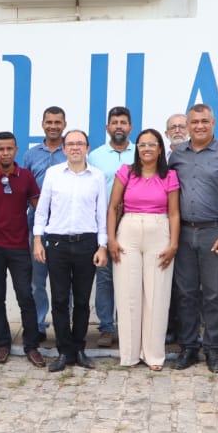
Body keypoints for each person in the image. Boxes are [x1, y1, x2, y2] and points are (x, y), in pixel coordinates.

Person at [168, 103, 218, 373]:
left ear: (213, 123)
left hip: (215, 232)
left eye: (204, 121)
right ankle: (189, 347)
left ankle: (213, 349)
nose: (199, 126)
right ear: (187, 125)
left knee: (213, 295)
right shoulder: (177, 156)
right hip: (183, 232)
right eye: (194, 122)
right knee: (186, 293)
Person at [33, 129, 109, 372]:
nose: (75, 147)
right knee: (59, 299)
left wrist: (102, 246)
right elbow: (42, 210)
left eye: (80, 143)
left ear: (87, 148)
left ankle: (79, 349)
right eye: (71, 144)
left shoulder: (97, 176)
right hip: (57, 244)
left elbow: (101, 214)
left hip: (87, 243)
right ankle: (64, 352)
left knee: (83, 301)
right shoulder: (54, 174)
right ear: (64, 149)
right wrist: (37, 240)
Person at [107, 128, 179, 370]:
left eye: (152, 144)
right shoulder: (126, 172)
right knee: (128, 294)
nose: (147, 148)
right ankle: (129, 355)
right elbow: (113, 206)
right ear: (136, 149)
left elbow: (174, 213)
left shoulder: (169, 176)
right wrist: (111, 240)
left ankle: (153, 355)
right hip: (128, 231)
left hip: (159, 232)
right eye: (142, 145)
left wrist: (173, 245)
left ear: (160, 149)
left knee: (157, 296)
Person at [0, 132, 45, 368]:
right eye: (1, 149)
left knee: (25, 296)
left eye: (9, 148)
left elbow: (39, 208)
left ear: (16, 150)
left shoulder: (26, 176)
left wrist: (42, 236)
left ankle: (31, 346)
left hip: (19, 246)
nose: (5, 153)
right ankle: (3, 344)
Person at [87, 106, 136, 347]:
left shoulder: (141, 152)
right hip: (104, 224)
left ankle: (129, 327)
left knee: (132, 278)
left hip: (134, 223)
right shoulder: (95, 156)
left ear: (130, 127)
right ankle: (106, 327)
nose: (119, 126)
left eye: (123, 122)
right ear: (107, 127)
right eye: (114, 122)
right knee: (105, 278)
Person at [21, 106, 68, 342]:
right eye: (49, 122)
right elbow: (23, 189)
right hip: (36, 225)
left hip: (65, 226)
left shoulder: (70, 152)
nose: (53, 126)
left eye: (57, 122)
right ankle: (38, 325)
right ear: (42, 124)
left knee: (65, 282)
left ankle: (64, 326)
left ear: (64, 125)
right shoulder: (30, 155)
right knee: (36, 281)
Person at [163, 112, 189, 344]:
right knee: (167, 280)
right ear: (166, 133)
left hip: (191, 224)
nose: (178, 130)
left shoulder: (196, 155)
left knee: (189, 282)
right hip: (164, 224)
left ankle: (187, 330)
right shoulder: (160, 158)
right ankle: (169, 327)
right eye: (174, 127)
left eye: (182, 126)